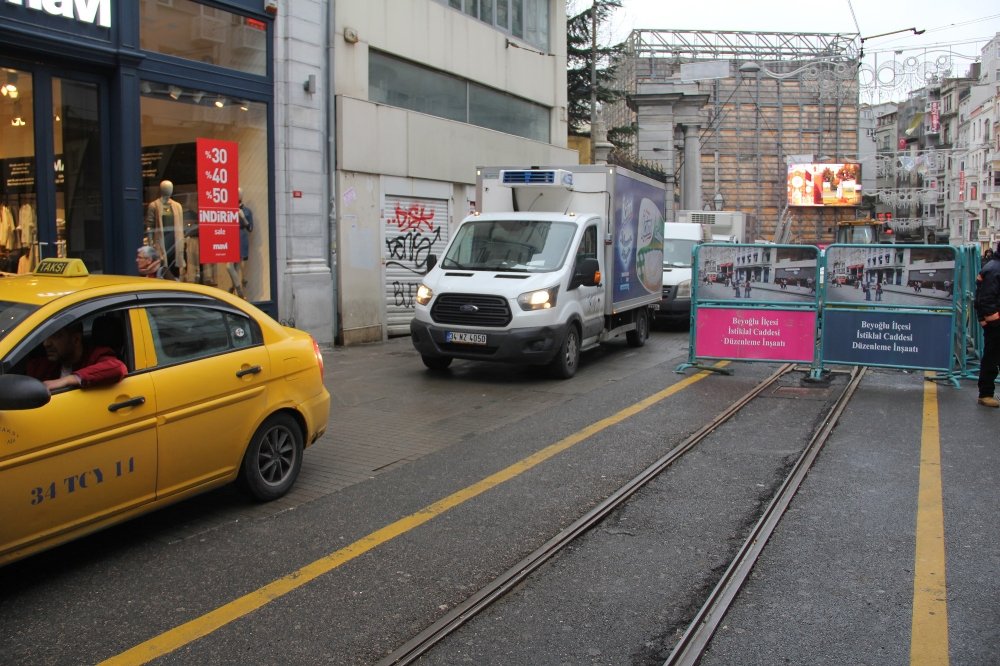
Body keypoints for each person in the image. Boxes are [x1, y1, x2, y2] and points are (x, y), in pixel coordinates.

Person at [26, 321, 127, 393]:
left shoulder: (95, 355)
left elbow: (118, 368)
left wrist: (65, 381)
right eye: (46, 337)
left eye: (55, 336)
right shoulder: (44, 364)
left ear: (76, 339)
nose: (46, 343)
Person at [145, 180, 186, 280]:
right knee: (162, 269)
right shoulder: (154, 205)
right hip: (161, 243)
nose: (169, 190)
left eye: (170, 188)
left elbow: (180, 226)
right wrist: (150, 244)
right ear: (161, 189)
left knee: (175, 269)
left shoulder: (177, 206)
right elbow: (150, 226)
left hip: (175, 243)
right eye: (166, 188)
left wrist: (183, 241)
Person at [975, 244, 1000, 408]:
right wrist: (992, 322)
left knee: (992, 357)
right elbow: (986, 299)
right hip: (996, 324)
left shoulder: (992, 266)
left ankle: (986, 392)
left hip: (994, 322)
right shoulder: (995, 269)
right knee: (991, 358)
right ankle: (985, 393)